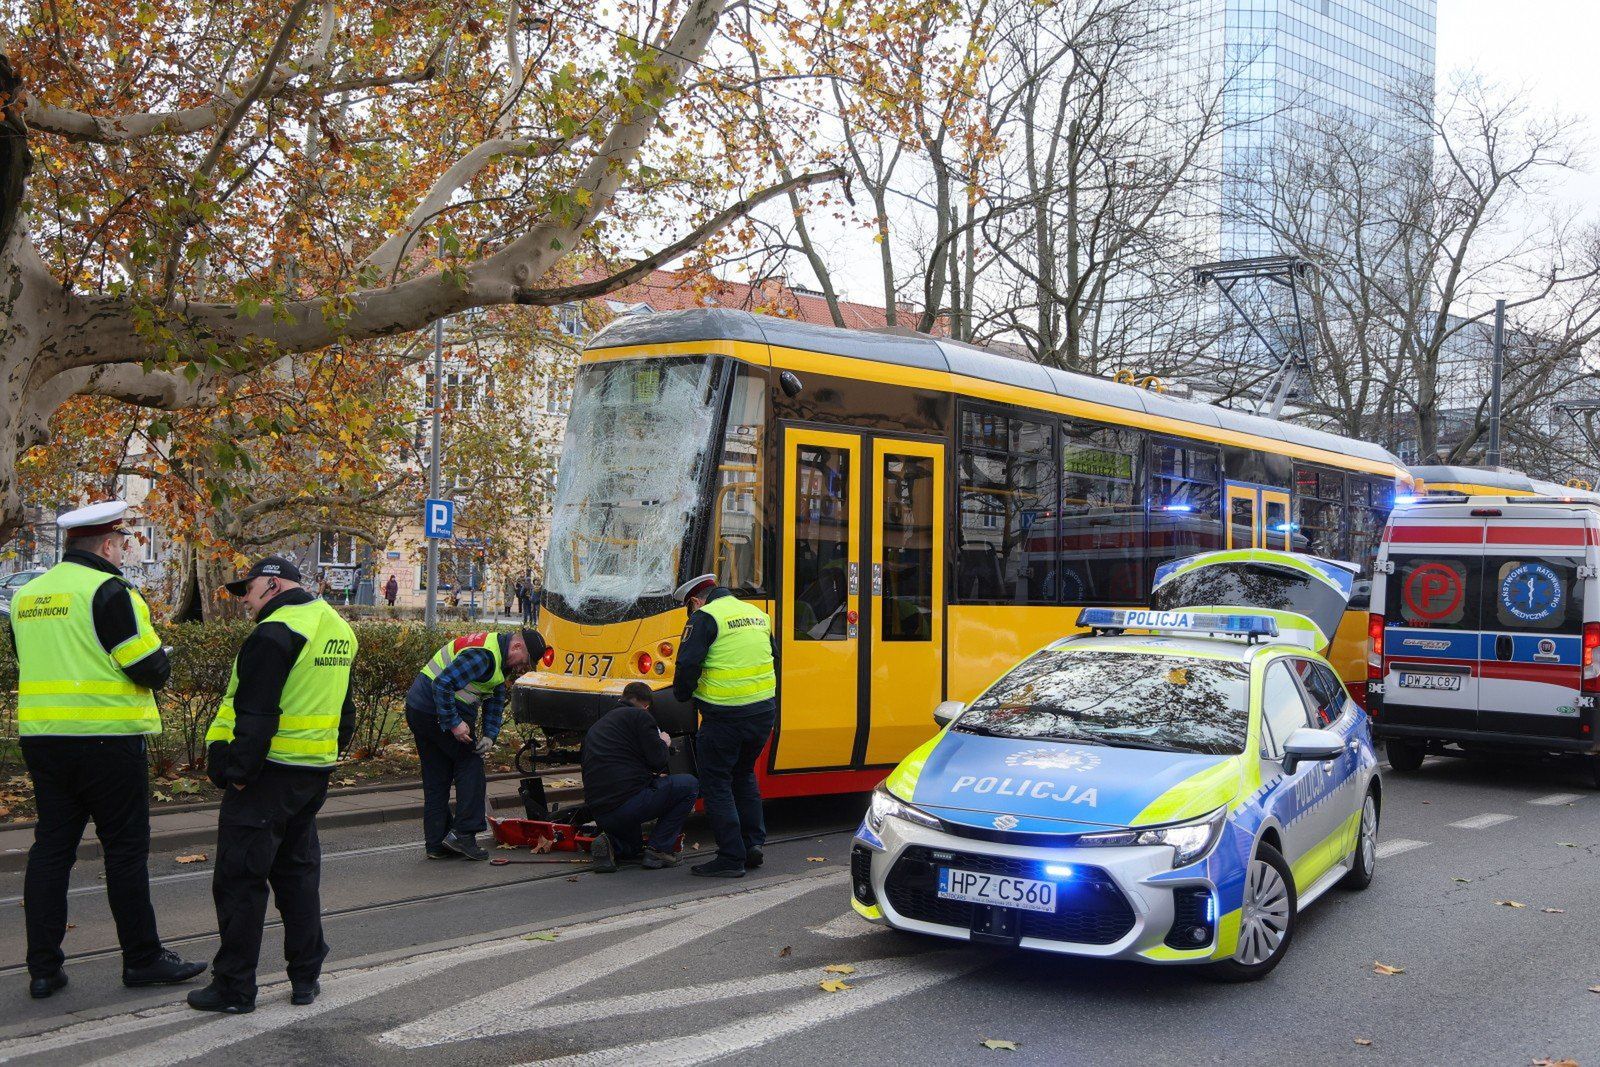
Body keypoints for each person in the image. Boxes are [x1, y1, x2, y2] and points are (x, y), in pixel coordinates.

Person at [10, 500, 207, 999]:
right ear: (105, 545)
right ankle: (141, 959)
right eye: (122, 544)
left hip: (43, 738)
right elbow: (148, 669)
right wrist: (161, 659)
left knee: (51, 850)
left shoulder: (28, 595)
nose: (123, 552)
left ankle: (43, 969)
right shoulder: (110, 591)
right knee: (124, 852)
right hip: (107, 740)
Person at [189, 556, 357, 1014]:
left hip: (266, 776)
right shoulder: (337, 627)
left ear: (272, 584)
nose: (244, 600)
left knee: (240, 881)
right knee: (298, 876)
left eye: (247, 589)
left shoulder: (275, 631)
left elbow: (257, 713)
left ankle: (233, 988)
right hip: (312, 772)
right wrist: (328, 755)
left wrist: (238, 774)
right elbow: (345, 709)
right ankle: (306, 976)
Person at [404, 627, 543, 860]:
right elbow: (442, 684)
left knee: (437, 776)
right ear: (517, 646)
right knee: (470, 765)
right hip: (435, 710)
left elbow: (495, 698)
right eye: (525, 661)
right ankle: (463, 835)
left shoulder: (497, 658)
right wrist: (454, 723)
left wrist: (490, 735)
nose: (523, 667)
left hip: (419, 709)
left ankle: (437, 843)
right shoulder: (483, 656)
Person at [672, 573, 777, 878]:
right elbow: (774, 658)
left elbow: (688, 664)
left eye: (689, 608)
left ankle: (731, 857)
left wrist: (682, 694)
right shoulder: (757, 615)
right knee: (743, 774)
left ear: (695, 601)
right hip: (762, 711)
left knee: (717, 783)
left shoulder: (705, 617)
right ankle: (752, 844)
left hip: (724, 717)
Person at [582, 683, 698, 873]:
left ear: (623, 697)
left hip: (600, 811)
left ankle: (611, 843)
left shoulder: (599, 725)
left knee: (633, 847)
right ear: (646, 705)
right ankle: (659, 850)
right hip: (628, 803)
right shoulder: (641, 716)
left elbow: (620, 763)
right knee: (689, 785)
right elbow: (657, 760)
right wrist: (664, 742)